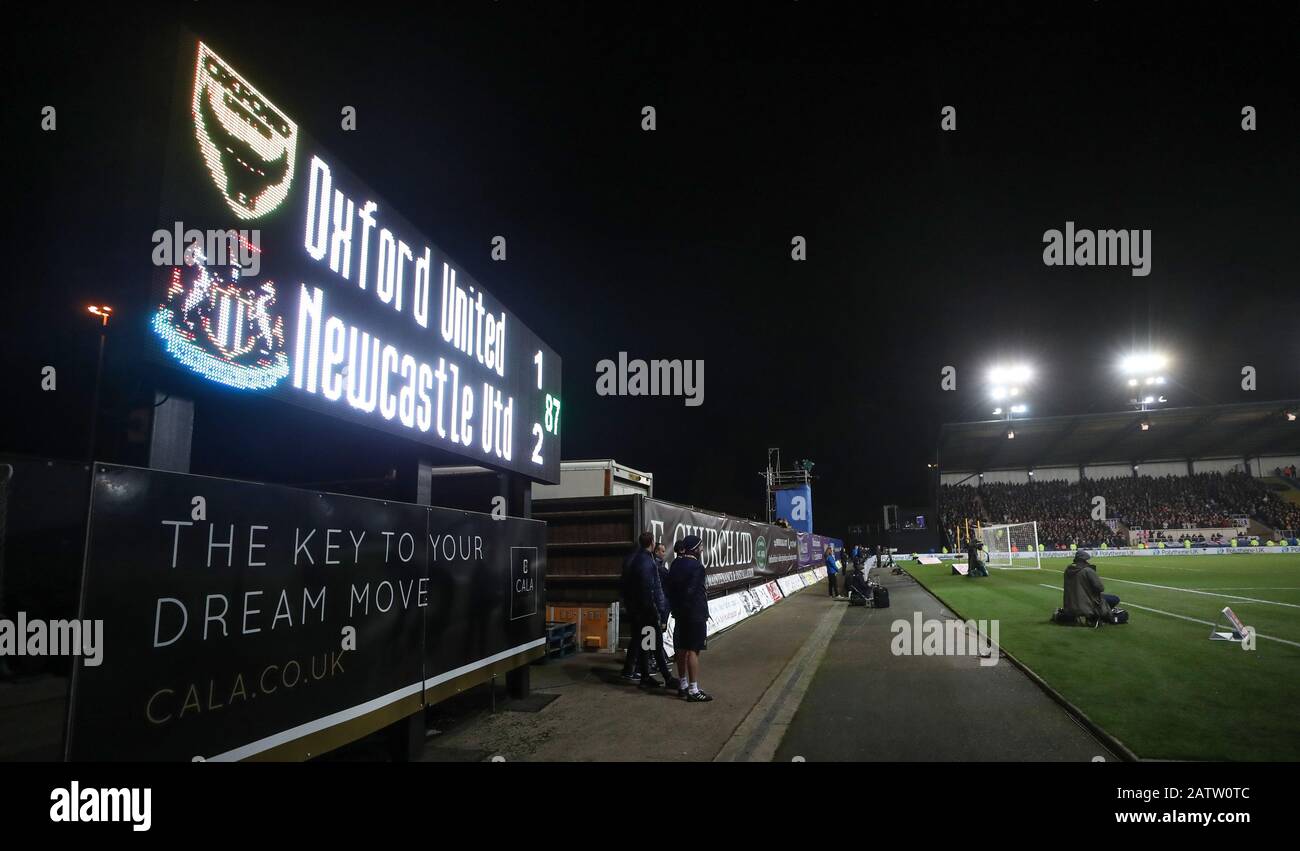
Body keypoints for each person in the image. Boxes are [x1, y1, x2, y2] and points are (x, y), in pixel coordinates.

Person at [666, 535, 712, 702]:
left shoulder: (676, 564)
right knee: (693, 650)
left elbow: (670, 589)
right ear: (695, 548)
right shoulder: (697, 567)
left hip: (679, 614)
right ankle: (693, 689)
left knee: (681, 649)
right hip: (695, 614)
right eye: (700, 547)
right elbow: (692, 591)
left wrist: (677, 609)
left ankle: (683, 684)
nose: (702, 550)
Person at [629, 531, 674, 690]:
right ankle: (666, 678)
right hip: (647, 611)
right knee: (656, 643)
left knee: (647, 644)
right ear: (651, 543)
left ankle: (646, 676)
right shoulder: (647, 563)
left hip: (640, 610)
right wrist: (657, 609)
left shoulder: (638, 560)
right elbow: (651, 589)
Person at [1062, 551, 1120, 621]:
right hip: (1086, 604)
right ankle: (1100, 616)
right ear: (1084, 560)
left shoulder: (1068, 571)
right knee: (1114, 599)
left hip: (1070, 605)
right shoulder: (1088, 571)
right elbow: (1100, 588)